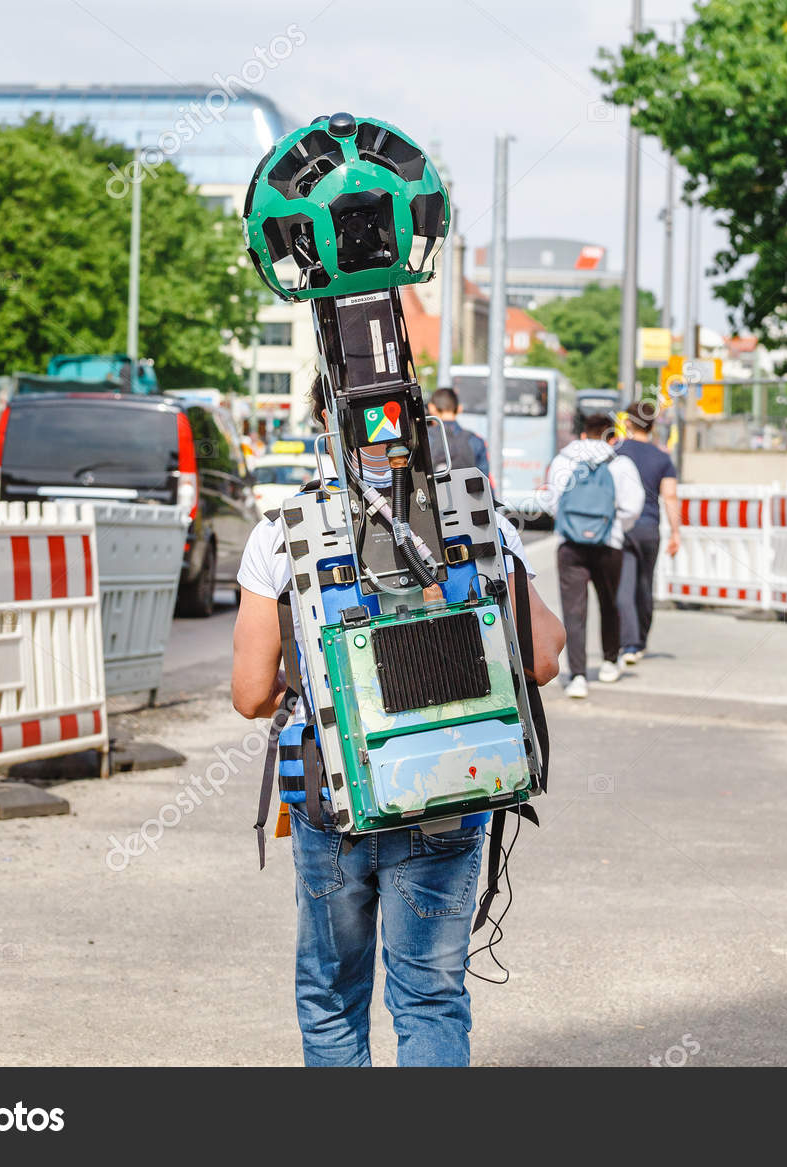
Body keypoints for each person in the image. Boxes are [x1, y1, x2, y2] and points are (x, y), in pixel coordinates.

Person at [232, 383, 565, 1067]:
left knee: (331, 994)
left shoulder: (281, 530)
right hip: (447, 788)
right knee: (429, 998)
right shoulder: (476, 521)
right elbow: (543, 657)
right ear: (412, 419)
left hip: (332, 802)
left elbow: (248, 693)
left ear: (324, 420)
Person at [543, 413, 644, 699]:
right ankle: (610, 662)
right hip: (608, 544)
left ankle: (577, 676)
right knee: (609, 602)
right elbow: (632, 507)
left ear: (583, 434)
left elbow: (552, 502)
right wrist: (612, 527)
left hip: (570, 544)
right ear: (611, 437)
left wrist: (574, 525)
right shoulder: (621, 463)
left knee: (574, 611)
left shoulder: (563, 460)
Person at [614, 399, 680, 665]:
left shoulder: (616, 452)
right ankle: (639, 641)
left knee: (624, 586)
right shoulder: (662, 458)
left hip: (623, 527)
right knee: (645, 586)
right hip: (650, 529)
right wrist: (677, 533)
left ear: (628, 422)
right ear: (653, 426)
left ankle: (628, 644)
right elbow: (671, 497)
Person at [426, 386, 490, 479]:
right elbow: (485, 482)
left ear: (431, 408)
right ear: (459, 409)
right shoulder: (475, 440)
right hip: (466, 493)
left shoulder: (424, 439)